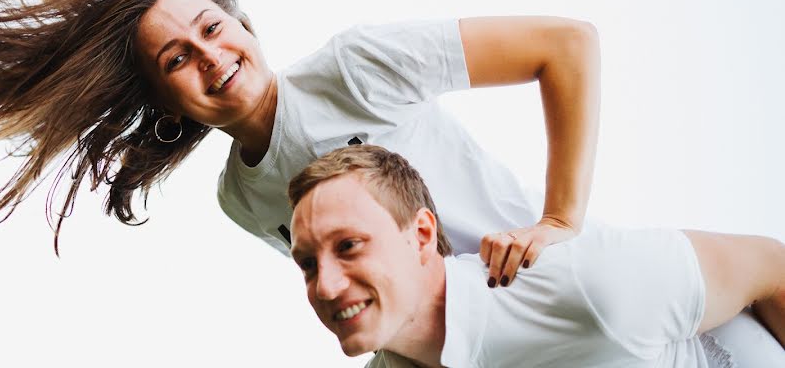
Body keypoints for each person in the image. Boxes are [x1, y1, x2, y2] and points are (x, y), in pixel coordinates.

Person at [0, 0, 765, 359]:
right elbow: (350, 287)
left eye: (214, 27)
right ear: (168, 106)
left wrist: (561, 220)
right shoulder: (241, 200)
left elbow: (564, 45)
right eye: (178, 61)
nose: (212, 56)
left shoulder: (355, 65)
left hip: (549, 301)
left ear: (245, 22)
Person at [288, 145, 785, 368]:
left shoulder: (580, 283)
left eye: (349, 246)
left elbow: (770, 267)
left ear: (420, 236)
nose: (326, 286)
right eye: (307, 263)